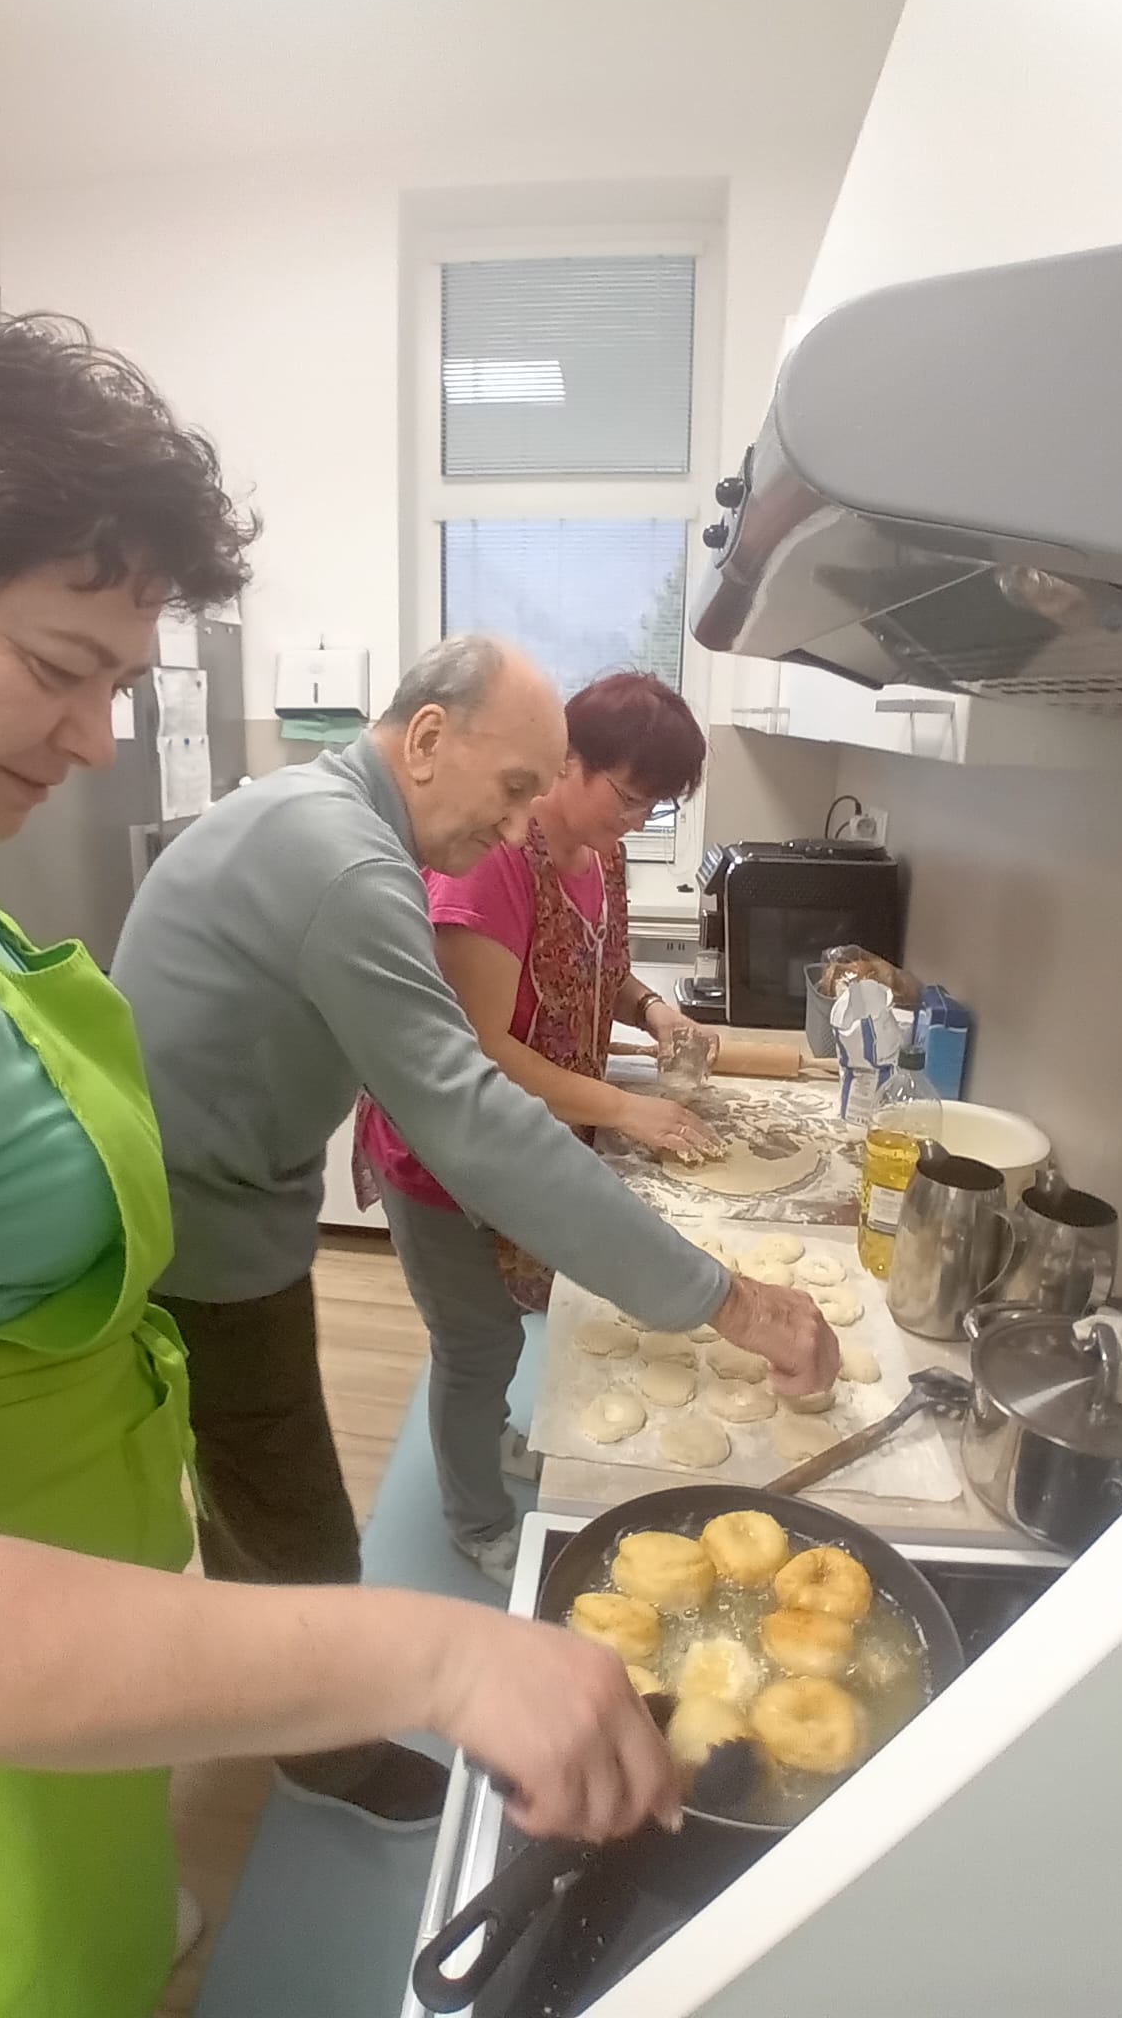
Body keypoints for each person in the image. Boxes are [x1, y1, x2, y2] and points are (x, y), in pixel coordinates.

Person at [0, 319, 691, 2018]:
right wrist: (434, 1652)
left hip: (69, 1511)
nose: (95, 738)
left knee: (95, 1875)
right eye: (61, 665)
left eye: (119, 683)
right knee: (20, 1948)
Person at [112, 639, 839, 1613]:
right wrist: (731, 1302)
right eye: (512, 788)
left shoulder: (325, 817)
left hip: (230, 1207)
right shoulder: (347, 863)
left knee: (262, 1495)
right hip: (202, 1232)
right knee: (293, 1534)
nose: (516, 826)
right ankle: (324, 1706)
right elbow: (473, 1113)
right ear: (425, 738)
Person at [359, 669, 724, 1579]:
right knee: (476, 1340)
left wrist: (654, 1011)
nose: (636, 820)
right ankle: (475, 1520)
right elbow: (481, 1050)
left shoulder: (601, 854)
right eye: (627, 797)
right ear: (567, 762)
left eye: (654, 807)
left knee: (503, 1329)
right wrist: (629, 1109)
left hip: (532, 1143)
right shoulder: (493, 868)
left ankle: (492, 1434)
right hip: (442, 1155)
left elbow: (600, 967)